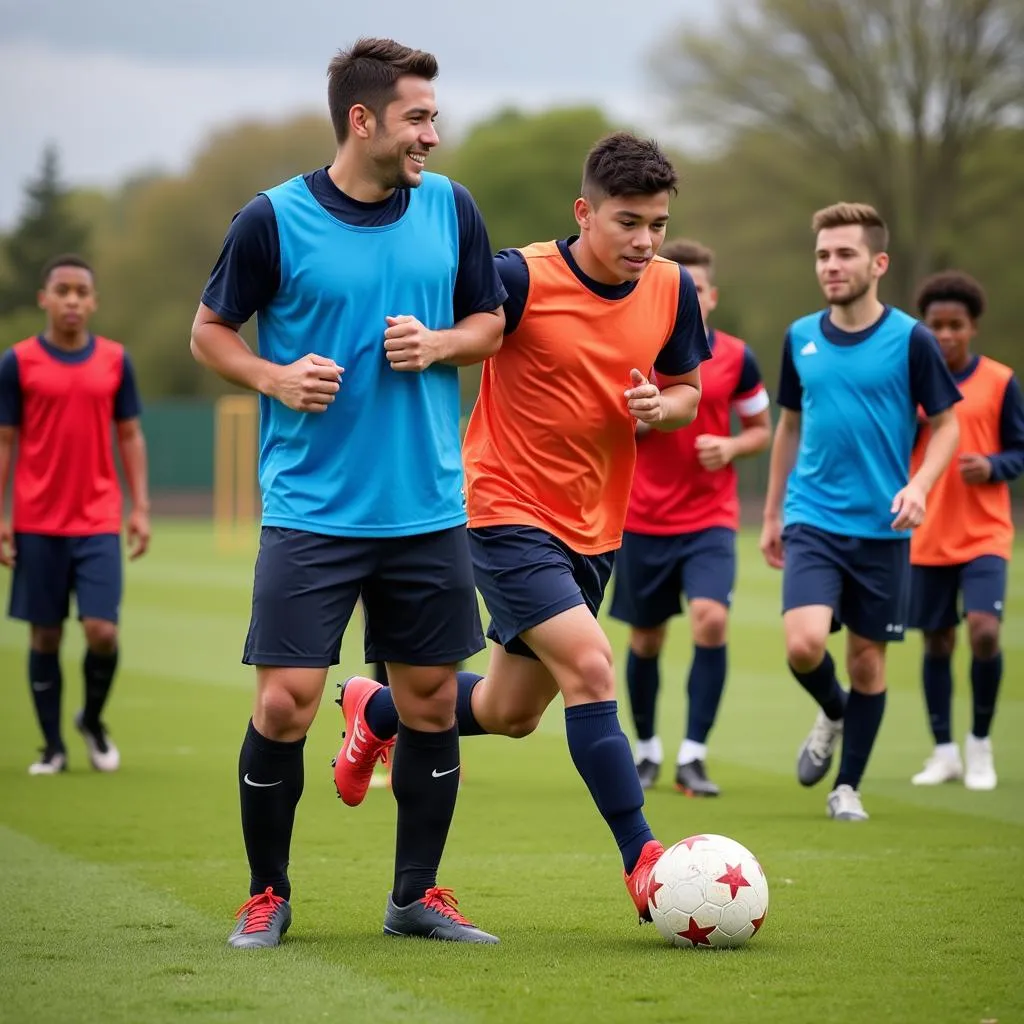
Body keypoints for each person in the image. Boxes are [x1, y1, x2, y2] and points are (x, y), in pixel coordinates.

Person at [335, 131, 711, 925]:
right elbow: (453, 328)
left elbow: (686, 391)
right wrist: (432, 344)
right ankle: (643, 859)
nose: (645, 241)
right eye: (628, 222)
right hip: (503, 511)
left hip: (595, 529)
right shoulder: (519, 275)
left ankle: (377, 711)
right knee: (593, 667)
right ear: (585, 212)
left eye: (657, 224)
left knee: (511, 713)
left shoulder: (674, 289)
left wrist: (660, 408)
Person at [189, 37, 506, 949]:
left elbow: (489, 322)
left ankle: (416, 896)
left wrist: (443, 344)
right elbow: (211, 333)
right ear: (361, 120)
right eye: (417, 118)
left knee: (433, 701)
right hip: (313, 511)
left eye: (434, 118)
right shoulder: (272, 219)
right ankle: (267, 894)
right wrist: (274, 376)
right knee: (286, 699)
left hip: (427, 505)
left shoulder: (451, 208)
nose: (433, 137)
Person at [759, 202, 962, 822]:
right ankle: (835, 710)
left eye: (844, 253)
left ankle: (846, 787)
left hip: (882, 526)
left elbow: (949, 424)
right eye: (823, 254)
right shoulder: (800, 337)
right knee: (803, 644)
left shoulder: (912, 340)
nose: (831, 265)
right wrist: (771, 514)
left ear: (878, 262)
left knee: (869, 661)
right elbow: (788, 426)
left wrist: (922, 484)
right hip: (813, 516)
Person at [608, 239, 771, 796]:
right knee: (646, 640)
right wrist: (645, 419)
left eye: (698, 289)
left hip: (709, 520)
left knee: (711, 620)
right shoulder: (635, 349)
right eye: (683, 287)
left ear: (712, 295)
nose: (691, 296)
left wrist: (730, 448)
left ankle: (694, 755)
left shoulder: (738, 357)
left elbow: (761, 430)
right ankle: (648, 750)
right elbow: (604, 427)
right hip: (641, 519)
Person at [0, 254, 150, 776]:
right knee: (44, 635)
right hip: (37, 520)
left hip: (97, 520)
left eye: (81, 292)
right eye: (61, 290)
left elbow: (129, 434)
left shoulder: (114, 360)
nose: (71, 300)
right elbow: (5, 441)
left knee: (101, 631)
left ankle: (92, 719)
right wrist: (2, 516)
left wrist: (141, 508)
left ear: (93, 302)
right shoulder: (16, 362)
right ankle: (52, 747)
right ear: (44, 298)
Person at [906, 271, 1023, 791]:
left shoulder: (999, 380)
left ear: (973, 327)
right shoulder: (909, 383)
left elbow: (1019, 450)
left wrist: (995, 466)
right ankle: (944, 751)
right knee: (936, 643)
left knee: (984, 631)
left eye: (956, 325)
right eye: (936, 326)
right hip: (926, 535)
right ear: (925, 329)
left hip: (984, 536)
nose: (946, 334)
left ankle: (979, 745)